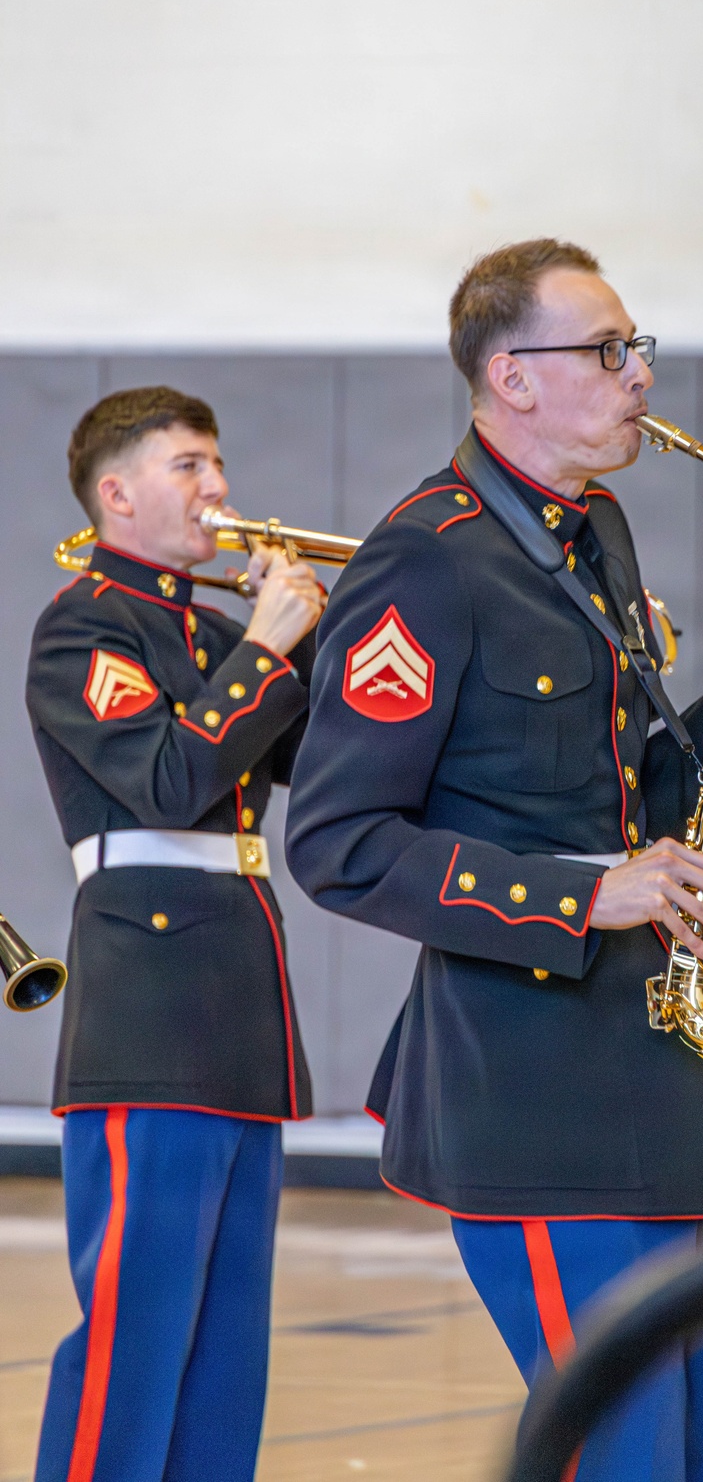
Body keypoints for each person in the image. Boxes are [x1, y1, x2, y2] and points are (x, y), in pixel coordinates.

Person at [285, 240, 703, 1480]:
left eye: (634, 345)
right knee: (624, 1458)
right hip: (531, 1092)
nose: (637, 374)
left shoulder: (592, 529)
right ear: (513, 377)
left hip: (663, 1067)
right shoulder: (425, 559)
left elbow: (609, 788)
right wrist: (590, 893)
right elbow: (336, 845)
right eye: (605, 351)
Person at [26, 387, 324, 1482]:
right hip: (147, 1010)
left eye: (217, 463)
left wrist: (320, 630)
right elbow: (167, 782)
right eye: (190, 466)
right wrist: (266, 647)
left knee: (224, 1353)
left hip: (237, 1008)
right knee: (134, 1336)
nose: (220, 489)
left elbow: (338, 758)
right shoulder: (85, 625)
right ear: (118, 493)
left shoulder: (210, 628)